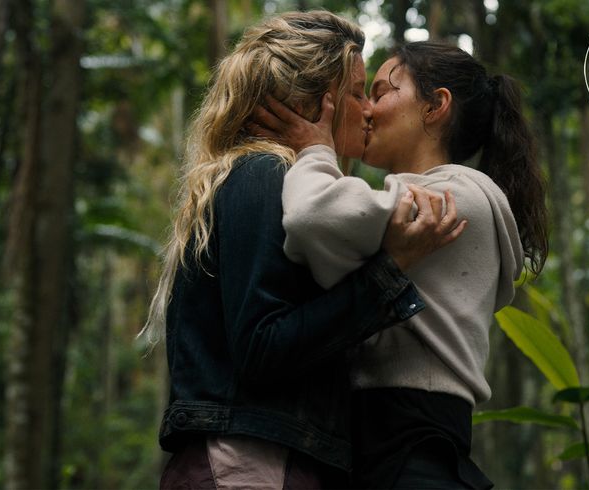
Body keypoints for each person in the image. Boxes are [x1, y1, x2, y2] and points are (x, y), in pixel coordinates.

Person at [140, 13, 465, 489]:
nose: (369, 110)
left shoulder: (282, 187)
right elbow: (262, 347)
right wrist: (389, 272)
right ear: (316, 104)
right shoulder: (260, 174)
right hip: (247, 464)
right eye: (357, 93)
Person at [252, 41, 549, 488]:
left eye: (381, 91)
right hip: (388, 444)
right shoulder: (423, 197)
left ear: (436, 106)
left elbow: (314, 216)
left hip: (411, 443)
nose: (366, 110)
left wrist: (316, 150)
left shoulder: (455, 198)